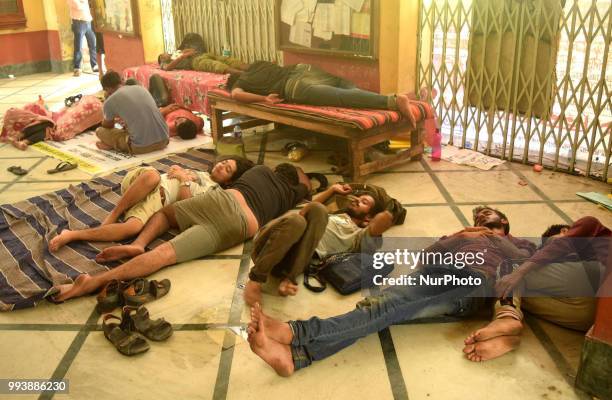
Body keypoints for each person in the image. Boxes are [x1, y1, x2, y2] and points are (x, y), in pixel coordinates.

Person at [245, 206, 537, 376]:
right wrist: (460, 236)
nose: (482, 219)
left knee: (385, 308)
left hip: (472, 284)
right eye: (479, 216)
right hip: (435, 272)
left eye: (488, 215)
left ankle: (297, 334)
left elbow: (522, 264)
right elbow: (427, 260)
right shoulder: (464, 234)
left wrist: (494, 241)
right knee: (379, 308)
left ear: (504, 222)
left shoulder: (520, 243)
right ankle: (297, 355)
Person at [52, 163, 311, 302]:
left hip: (222, 201)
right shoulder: (292, 195)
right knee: (165, 255)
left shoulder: (261, 170)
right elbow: (308, 189)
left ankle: (139, 244)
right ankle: (94, 283)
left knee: (165, 215)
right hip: (242, 226)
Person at [464, 216, 611, 362]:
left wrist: (520, 271)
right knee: (507, 286)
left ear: (565, 230)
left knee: (511, 267)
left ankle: (506, 318)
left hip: (596, 279)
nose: (547, 253)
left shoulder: (590, 225)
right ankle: (505, 333)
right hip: (592, 322)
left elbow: (559, 246)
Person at [48, 156, 253, 252]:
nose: (221, 165)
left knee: (133, 228)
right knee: (153, 175)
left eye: (227, 169)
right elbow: (170, 172)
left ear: (229, 181)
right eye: (223, 162)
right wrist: (178, 171)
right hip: (142, 182)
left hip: (158, 199)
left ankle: (72, 235)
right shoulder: (200, 173)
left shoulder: (214, 191)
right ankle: (115, 212)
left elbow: (184, 203)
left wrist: (183, 179)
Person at [244, 182, 400, 306]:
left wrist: (382, 221)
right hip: (268, 245)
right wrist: (332, 190)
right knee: (300, 219)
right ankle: (256, 279)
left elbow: (373, 233)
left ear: (368, 219)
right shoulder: (334, 214)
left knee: (306, 217)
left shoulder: (358, 236)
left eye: (364, 202)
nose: (358, 200)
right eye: (359, 198)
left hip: (287, 264)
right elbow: (307, 209)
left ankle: (288, 279)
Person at [227, 61, 418, 127]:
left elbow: (236, 95)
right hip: (306, 69)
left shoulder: (240, 82)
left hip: (295, 85)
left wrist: (264, 98)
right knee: (345, 87)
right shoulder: (256, 65)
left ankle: (392, 100)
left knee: (342, 97)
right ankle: (393, 98)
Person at [95, 71, 169, 154]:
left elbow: (107, 126)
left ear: (106, 89)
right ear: (122, 81)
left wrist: (109, 113)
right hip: (165, 140)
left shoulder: (109, 101)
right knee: (128, 128)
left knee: (99, 131)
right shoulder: (140, 88)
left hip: (142, 147)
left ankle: (113, 145)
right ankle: (115, 144)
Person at [68, 0, 97, 77]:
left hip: (89, 22)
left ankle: (94, 65)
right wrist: (84, 2)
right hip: (78, 23)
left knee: (93, 44)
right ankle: (77, 68)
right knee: (78, 46)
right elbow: (78, 6)